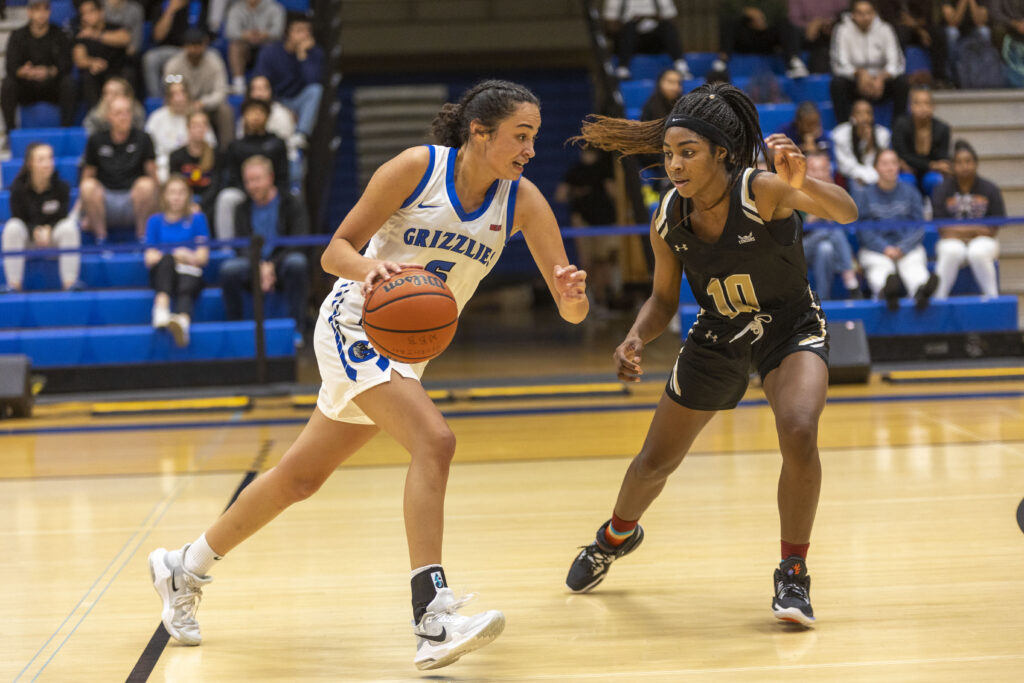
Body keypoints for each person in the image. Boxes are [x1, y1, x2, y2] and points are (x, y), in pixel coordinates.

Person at [146, 80, 588, 671]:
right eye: (521, 136)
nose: (531, 149)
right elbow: (335, 252)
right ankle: (432, 619)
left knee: (300, 478)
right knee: (436, 440)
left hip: (407, 352)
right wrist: (371, 266)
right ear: (480, 134)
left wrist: (571, 294)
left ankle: (184, 567)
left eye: (533, 137)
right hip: (354, 323)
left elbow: (572, 311)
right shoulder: (416, 168)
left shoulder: (523, 201)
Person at [562, 82, 857, 629]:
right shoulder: (668, 218)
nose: (674, 164)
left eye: (688, 152)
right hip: (718, 334)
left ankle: (793, 571)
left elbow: (846, 212)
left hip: (788, 328)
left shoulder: (762, 190)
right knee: (654, 462)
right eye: (668, 154)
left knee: (798, 427)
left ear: (721, 153)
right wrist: (634, 338)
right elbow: (662, 300)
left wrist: (806, 181)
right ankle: (615, 536)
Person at [218, 155, 309, 345]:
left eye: (257, 180)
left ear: (270, 177)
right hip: (253, 264)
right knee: (229, 270)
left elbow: (299, 240)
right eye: (248, 181)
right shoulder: (241, 208)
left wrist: (271, 266)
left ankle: (297, 329)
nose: (253, 186)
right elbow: (240, 245)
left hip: (282, 262)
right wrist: (258, 266)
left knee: (297, 263)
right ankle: (237, 330)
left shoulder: (291, 202)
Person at [854, 148, 938, 310]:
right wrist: (884, 248)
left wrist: (902, 247)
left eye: (893, 163)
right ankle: (886, 292)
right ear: (876, 168)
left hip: (906, 248)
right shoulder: (865, 195)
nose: (890, 167)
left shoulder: (911, 192)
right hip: (877, 250)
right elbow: (863, 230)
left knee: (914, 268)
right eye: (885, 164)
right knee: (880, 270)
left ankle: (921, 293)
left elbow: (918, 226)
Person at [1, 143, 81, 292]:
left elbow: (61, 216)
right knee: (12, 227)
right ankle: (14, 285)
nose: (47, 164)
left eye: (50, 158)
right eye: (41, 159)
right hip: (29, 241)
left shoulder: (62, 187)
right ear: (30, 163)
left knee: (68, 227)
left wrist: (49, 230)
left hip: (52, 239)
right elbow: (18, 217)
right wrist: (35, 231)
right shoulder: (17, 189)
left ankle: (70, 284)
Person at [80, 93, 159, 241]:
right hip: (105, 202)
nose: (124, 117)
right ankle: (101, 238)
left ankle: (143, 237)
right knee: (87, 186)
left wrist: (161, 205)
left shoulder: (143, 138)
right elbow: (87, 175)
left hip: (134, 201)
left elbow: (153, 175)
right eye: (118, 113)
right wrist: (82, 211)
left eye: (127, 112)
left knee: (147, 185)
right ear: (109, 117)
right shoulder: (96, 140)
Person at [932, 139, 1005, 298]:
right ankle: (939, 300)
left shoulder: (990, 188)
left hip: (984, 241)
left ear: (976, 164)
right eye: (959, 162)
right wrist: (976, 229)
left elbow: (992, 229)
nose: (964, 166)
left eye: (968, 162)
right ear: (953, 166)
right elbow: (943, 230)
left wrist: (958, 230)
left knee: (977, 252)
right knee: (950, 251)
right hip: (952, 241)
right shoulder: (941, 190)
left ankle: (992, 298)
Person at [143, 174, 210, 346]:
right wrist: (174, 255)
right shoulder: (154, 221)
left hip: (189, 271)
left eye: (181, 192)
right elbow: (149, 258)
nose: (176, 197)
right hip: (164, 272)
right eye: (172, 192)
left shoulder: (198, 219)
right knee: (166, 261)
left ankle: (182, 324)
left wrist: (187, 256)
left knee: (186, 283)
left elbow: (203, 257)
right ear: (164, 195)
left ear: (188, 195)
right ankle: (162, 309)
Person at [555, 147, 620, 311]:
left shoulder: (595, 170)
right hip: (587, 224)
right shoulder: (580, 171)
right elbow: (615, 193)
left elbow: (561, 195)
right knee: (597, 263)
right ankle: (597, 300)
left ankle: (602, 300)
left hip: (600, 224)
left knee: (599, 263)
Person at [214, 98, 288, 239]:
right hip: (244, 191)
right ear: (243, 117)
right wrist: (252, 189)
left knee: (289, 198)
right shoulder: (235, 146)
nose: (255, 116)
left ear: (267, 116)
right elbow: (232, 177)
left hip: (272, 192)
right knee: (226, 198)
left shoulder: (277, 143)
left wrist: (267, 190)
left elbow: (283, 175)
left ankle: (281, 247)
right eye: (251, 112)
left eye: (260, 112)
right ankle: (228, 248)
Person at [1, 0, 76, 136]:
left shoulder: (60, 34)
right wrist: (24, 72)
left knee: (68, 83)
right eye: (37, 10)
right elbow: (11, 66)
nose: (41, 14)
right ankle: (10, 134)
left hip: (51, 85)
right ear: (29, 12)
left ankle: (66, 131)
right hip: (27, 86)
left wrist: (49, 71)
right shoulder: (18, 35)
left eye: (45, 9)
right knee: (8, 84)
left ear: (49, 12)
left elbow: (66, 64)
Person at [829, 1, 909, 125]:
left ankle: (898, 126)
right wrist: (859, 74)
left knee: (902, 82)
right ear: (853, 14)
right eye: (860, 13)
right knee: (837, 84)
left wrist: (881, 78)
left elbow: (896, 62)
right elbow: (840, 63)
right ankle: (844, 127)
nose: (865, 17)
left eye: (868, 13)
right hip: (855, 82)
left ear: (874, 13)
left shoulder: (885, 29)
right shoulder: (842, 30)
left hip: (881, 83)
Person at [252, 13, 323, 148]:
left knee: (316, 90)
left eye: (307, 31)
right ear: (287, 33)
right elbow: (261, 80)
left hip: (299, 100)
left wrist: (302, 56)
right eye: (299, 31)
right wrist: (280, 106)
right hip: (276, 99)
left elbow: (313, 80)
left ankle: (301, 134)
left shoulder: (315, 52)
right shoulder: (270, 52)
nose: (304, 35)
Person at [802, 151, 861, 299]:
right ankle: (850, 278)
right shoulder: (795, 192)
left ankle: (822, 301)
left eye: (823, 170)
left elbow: (850, 229)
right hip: (801, 248)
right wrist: (821, 209)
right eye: (815, 170)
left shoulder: (838, 194)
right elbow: (797, 229)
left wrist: (830, 197)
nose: (820, 174)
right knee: (830, 231)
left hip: (831, 249)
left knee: (825, 249)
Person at [163, 27, 235, 148]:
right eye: (191, 45)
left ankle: (226, 151)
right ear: (184, 46)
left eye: (198, 45)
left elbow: (221, 92)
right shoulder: (174, 65)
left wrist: (202, 103)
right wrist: (185, 103)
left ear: (205, 45)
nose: (195, 49)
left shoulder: (214, 62)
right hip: (182, 105)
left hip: (207, 106)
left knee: (225, 111)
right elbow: (170, 89)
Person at [146, 78, 218, 182]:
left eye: (182, 93)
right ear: (168, 97)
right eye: (174, 94)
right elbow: (148, 147)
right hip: (162, 166)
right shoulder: (157, 118)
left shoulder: (197, 117)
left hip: (192, 166)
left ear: (188, 95)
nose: (178, 98)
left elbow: (211, 144)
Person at [716, 0, 809, 79]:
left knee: (786, 25)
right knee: (728, 24)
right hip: (744, 38)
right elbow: (726, 10)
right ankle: (723, 62)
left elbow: (781, 13)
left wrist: (763, 21)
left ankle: (793, 61)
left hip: (766, 35)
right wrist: (746, 12)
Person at [603, 0, 693, 80]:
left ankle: (681, 66)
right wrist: (632, 22)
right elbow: (610, 26)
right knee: (629, 28)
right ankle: (622, 69)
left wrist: (654, 18)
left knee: (667, 26)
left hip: (653, 41)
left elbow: (672, 21)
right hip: (629, 41)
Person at [891, 85, 951, 197]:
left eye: (926, 103)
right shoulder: (901, 125)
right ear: (910, 106)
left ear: (933, 106)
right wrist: (932, 164)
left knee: (934, 180)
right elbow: (903, 155)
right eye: (917, 103)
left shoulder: (943, 129)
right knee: (906, 180)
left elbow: (943, 159)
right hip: (907, 172)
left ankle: (935, 209)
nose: (922, 107)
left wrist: (933, 166)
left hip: (930, 173)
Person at [72, 0, 133, 107]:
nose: (86, 17)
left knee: (129, 72)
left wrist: (95, 34)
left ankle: (126, 109)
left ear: (101, 12)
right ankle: (96, 114)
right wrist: (91, 62)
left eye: (90, 12)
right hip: (97, 73)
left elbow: (125, 39)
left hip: (117, 71)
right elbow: (79, 58)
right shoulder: (82, 35)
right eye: (84, 14)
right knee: (87, 76)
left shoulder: (114, 27)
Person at [142, 0, 209, 98]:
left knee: (213, 55)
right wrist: (170, 11)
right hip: (167, 50)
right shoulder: (162, 6)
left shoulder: (198, 6)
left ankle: (199, 97)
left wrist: (193, 47)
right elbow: (158, 36)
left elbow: (205, 37)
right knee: (150, 58)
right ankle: (156, 99)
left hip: (192, 48)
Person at [224, 0, 285, 94]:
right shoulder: (236, 8)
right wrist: (246, 35)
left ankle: (266, 85)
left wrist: (263, 35)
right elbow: (230, 32)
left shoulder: (275, 8)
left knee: (271, 47)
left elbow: (278, 32)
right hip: (245, 46)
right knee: (235, 45)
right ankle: (238, 83)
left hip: (266, 44)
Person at [169, 110, 221, 218]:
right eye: (195, 125)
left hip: (209, 202)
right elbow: (175, 183)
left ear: (207, 129)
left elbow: (216, 186)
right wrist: (188, 204)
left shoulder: (216, 154)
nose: (199, 129)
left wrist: (200, 205)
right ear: (188, 128)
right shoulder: (176, 156)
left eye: (203, 125)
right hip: (184, 200)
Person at [832, 98, 892, 187]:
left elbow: (881, 162)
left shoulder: (882, 134)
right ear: (852, 116)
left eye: (868, 113)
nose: (864, 117)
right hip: (851, 176)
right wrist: (862, 175)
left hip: (876, 174)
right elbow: (845, 166)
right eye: (859, 113)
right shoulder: (840, 134)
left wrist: (870, 145)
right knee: (857, 186)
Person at [786, 0, 847, 73]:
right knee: (786, 27)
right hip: (805, 34)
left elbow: (845, 14)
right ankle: (795, 63)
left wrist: (821, 23)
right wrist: (810, 26)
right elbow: (794, 19)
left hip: (830, 33)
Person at [82, 75, 147, 135]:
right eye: (106, 93)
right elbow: (90, 132)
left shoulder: (136, 112)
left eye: (115, 93)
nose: (109, 98)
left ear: (126, 95)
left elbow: (139, 136)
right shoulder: (97, 113)